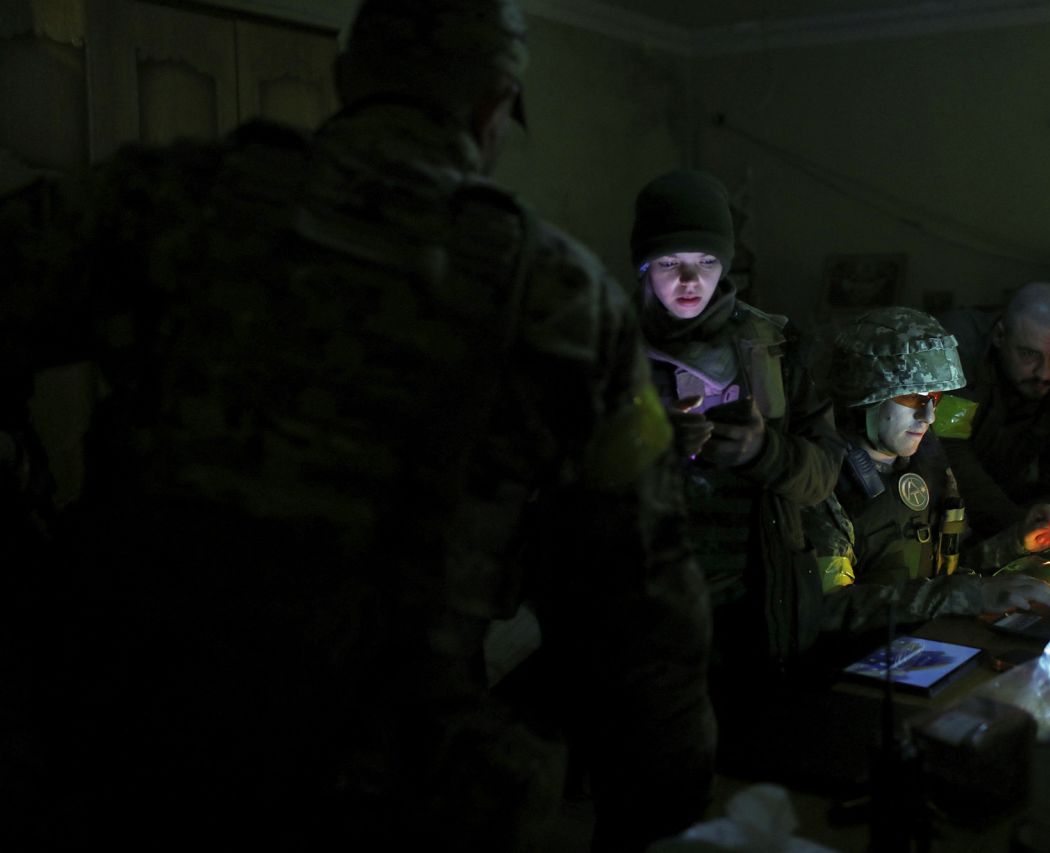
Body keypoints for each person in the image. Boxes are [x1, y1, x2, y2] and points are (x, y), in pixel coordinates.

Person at [0, 1, 715, 850]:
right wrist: (662, 816)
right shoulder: (565, 297)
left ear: (347, 79)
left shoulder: (166, 198)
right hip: (385, 786)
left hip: (130, 756)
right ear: (494, 109)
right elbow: (644, 613)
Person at [628, 169, 844, 671]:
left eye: (707, 261)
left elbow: (824, 475)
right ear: (642, 267)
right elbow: (557, 483)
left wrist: (762, 452)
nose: (690, 280)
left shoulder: (777, 347)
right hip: (641, 612)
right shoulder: (605, 348)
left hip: (759, 608)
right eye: (669, 262)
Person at [802, 306, 1050, 639]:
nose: (929, 416)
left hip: (926, 644)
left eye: (935, 397)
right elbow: (827, 608)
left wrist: (1015, 543)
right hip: (858, 668)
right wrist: (971, 595)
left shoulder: (926, 462)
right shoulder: (820, 481)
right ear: (866, 394)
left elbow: (944, 573)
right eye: (912, 398)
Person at [938, 281, 1050, 539]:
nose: (1045, 373)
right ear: (999, 336)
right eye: (1029, 354)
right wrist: (1015, 525)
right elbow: (949, 450)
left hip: (1005, 497)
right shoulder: (960, 355)